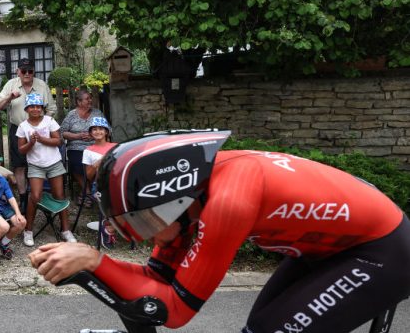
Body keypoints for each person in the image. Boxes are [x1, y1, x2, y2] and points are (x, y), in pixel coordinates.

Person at [29, 130, 410, 332]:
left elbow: (174, 311)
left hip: (381, 251)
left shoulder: (228, 200)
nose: (150, 238)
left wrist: (95, 261)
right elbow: (154, 278)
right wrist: (93, 262)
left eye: (149, 223)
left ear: (178, 200)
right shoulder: (195, 192)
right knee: (259, 327)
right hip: (329, 249)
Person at [17, 93, 77, 247]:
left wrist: (42, 139)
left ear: (42, 108)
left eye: (38, 106)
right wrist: (31, 143)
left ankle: (65, 229)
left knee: (59, 195)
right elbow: (21, 150)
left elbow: (59, 141)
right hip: (35, 165)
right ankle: (28, 230)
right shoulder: (23, 126)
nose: (35, 109)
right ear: (27, 109)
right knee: (35, 195)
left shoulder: (49, 121)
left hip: (54, 163)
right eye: (32, 106)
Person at [0, 58, 55, 207]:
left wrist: (43, 124)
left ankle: (38, 195)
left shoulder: (42, 86)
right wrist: (10, 97)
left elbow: (52, 108)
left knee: (40, 162)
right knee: (19, 165)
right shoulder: (11, 85)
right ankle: (23, 199)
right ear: (18, 72)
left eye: (30, 71)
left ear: (33, 71)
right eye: (24, 71)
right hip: (18, 129)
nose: (27, 74)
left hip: (39, 129)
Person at [60, 89, 104, 207]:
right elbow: (62, 132)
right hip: (76, 146)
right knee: (76, 163)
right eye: (87, 99)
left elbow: (108, 129)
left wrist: (93, 136)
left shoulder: (97, 113)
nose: (90, 100)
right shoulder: (71, 115)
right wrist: (76, 136)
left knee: (99, 163)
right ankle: (88, 191)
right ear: (79, 102)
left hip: (95, 146)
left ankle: (85, 193)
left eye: (90, 98)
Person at [81, 116, 117, 249]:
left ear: (106, 131)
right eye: (94, 129)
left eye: (101, 129)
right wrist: (97, 164)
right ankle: (110, 229)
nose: (98, 132)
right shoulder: (88, 151)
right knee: (111, 200)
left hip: (116, 183)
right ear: (90, 133)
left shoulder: (116, 147)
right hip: (99, 186)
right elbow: (89, 177)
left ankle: (111, 226)